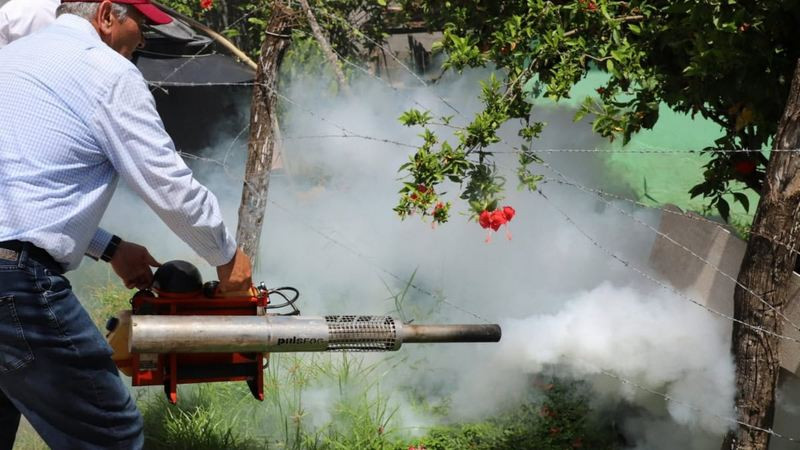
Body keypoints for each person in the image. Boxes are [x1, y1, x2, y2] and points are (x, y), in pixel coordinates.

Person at [0, 0, 253, 448]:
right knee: (108, 435)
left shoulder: (12, 59)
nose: (141, 42)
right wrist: (227, 257)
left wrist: (110, 247)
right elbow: (166, 182)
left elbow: (20, 195)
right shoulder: (105, 71)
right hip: (14, 285)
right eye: (140, 27)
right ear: (105, 15)